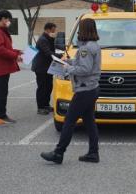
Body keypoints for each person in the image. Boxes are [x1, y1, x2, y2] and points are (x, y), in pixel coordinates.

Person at [41, 18, 101, 164]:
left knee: (69, 121)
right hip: (92, 88)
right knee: (89, 121)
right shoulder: (95, 46)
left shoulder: (85, 48)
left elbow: (85, 69)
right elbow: (84, 63)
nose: (79, 32)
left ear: (84, 30)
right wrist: (69, 62)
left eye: (80, 29)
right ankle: (93, 153)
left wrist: (68, 69)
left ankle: (58, 153)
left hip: (84, 90)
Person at [0, 10, 22, 125]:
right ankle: (1, 116)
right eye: (8, 19)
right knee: (2, 91)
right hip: (2, 65)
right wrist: (15, 56)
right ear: (2, 19)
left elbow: (5, 48)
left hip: (2, 65)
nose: (9, 21)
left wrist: (17, 52)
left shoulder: (0, 31)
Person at [32, 22, 62, 115]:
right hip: (41, 68)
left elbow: (53, 49)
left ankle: (46, 105)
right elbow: (48, 53)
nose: (54, 32)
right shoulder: (43, 40)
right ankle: (40, 107)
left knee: (49, 86)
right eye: (53, 30)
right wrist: (60, 56)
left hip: (48, 67)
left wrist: (54, 40)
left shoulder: (48, 38)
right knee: (42, 87)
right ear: (48, 29)